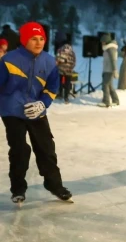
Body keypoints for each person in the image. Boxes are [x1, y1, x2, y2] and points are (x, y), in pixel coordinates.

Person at [0, 22, 73, 205]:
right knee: (20, 150)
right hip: (12, 111)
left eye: (41, 38)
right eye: (34, 38)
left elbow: (52, 87)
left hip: (36, 110)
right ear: (24, 40)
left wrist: (43, 103)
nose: (38, 42)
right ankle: (18, 189)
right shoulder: (8, 60)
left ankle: (54, 185)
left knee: (46, 148)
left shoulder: (49, 61)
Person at [100, 34, 119, 107]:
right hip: (107, 69)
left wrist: (114, 70)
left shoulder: (110, 49)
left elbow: (113, 60)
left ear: (106, 41)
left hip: (109, 70)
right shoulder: (108, 49)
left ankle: (106, 101)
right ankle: (116, 100)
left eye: (103, 41)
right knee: (110, 86)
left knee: (105, 85)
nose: (102, 43)